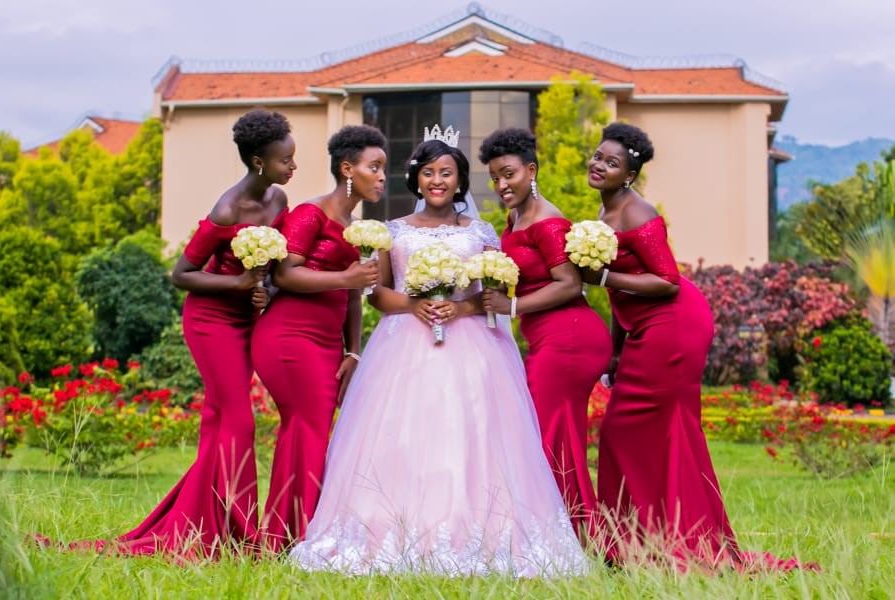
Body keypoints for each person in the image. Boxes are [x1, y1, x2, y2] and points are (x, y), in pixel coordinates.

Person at [289, 134, 589, 576]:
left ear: (460, 179)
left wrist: (463, 306)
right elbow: (378, 295)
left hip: (473, 346)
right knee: (404, 436)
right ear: (416, 178)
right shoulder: (395, 230)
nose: (437, 180)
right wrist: (413, 304)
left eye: (446, 172)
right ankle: (392, 527)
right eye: (428, 172)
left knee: (475, 434)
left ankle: (482, 530)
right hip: (405, 345)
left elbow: (493, 293)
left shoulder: (484, 232)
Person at [38, 108, 294, 556]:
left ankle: (203, 524)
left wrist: (264, 289)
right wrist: (237, 284)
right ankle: (241, 532)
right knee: (239, 419)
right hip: (210, 320)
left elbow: (272, 272)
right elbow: (182, 274)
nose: (293, 167)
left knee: (219, 426)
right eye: (284, 160)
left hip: (244, 318)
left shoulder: (278, 202)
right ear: (258, 161)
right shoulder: (227, 209)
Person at [585, 121, 815, 571]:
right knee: (623, 432)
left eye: (612, 163)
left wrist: (604, 277)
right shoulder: (600, 216)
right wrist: (615, 350)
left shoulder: (637, 213)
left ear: (628, 175)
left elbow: (666, 282)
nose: (599, 165)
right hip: (643, 326)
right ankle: (632, 541)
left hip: (674, 325)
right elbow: (619, 297)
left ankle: (679, 542)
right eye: (598, 156)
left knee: (647, 428)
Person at [251, 125, 385, 553]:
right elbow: (285, 273)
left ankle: (295, 532)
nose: (382, 176)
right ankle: (296, 537)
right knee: (307, 427)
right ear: (348, 169)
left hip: (329, 344)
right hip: (289, 337)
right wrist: (346, 275)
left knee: (313, 430)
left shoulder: (357, 225)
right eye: (375, 167)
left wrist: (353, 349)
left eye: (384, 168)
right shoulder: (311, 213)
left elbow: (354, 295)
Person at [478, 128, 611, 540]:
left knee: (552, 434)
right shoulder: (515, 217)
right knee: (548, 432)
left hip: (571, 337)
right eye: (495, 178)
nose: (501, 185)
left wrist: (511, 306)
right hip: (547, 338)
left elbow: (570, 284)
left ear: (531, 170)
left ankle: (575, 537)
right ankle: (564, 532)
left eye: (509, 174)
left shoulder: (548, 221)